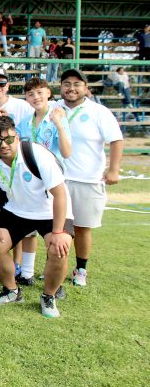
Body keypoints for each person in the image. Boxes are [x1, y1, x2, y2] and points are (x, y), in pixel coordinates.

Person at [0, 116, 74, 318]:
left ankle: (48, 296)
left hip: (50, 210)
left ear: (16, 137)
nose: (4, 145)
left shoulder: (37, 155)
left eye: (8, 139)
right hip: (16, 211)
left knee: (58, 249)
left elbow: (60, 194)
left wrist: (58, 232)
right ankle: (11, 292)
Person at [56, 68, 123, 287]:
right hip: (57, 180)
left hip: (87, 179)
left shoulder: (99, 111)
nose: (71, 88)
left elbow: (116, 140)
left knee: (83, 227)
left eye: (77, 84)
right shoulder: (53, 108)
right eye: (67, 84)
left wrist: (114, 170)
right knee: (56, 228)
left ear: (86, 88)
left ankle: (81, 269)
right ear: (61, 87)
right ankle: (55, 267)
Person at [14, 77, 71, 285]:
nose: (36, 97)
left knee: (53, 232)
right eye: (30, 94)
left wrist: (59, 126)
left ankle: (54, 279)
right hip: (30, 183)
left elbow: (67, 152)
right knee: (29, 232)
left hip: (52, 184)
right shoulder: (24, 123)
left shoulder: (57, 117)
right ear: (26, 98)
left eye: (39, 92)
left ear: (48, 93)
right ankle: (27, 274)